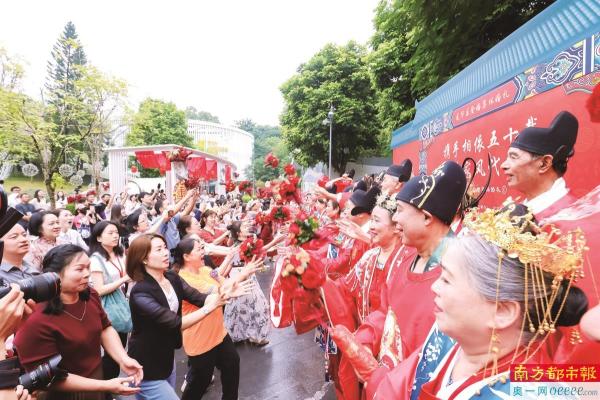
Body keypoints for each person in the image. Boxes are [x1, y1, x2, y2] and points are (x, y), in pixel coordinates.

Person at [368, 206, 588, 399]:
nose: (434, 287)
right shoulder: (447, 336)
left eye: (447, 279)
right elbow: (396, 386)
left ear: (502, 311)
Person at [336, 161, 467, 399]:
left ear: (426, 217)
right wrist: (365, 341)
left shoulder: (462, 272)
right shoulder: (404, 256)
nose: (395, 219)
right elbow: (385, 310)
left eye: (400, 210)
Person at [14, 244, 143, 399]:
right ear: (55, 274)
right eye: (79, 269)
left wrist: (123, 358)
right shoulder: (35, 315)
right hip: (64, 393)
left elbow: (105, 328)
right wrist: (106, 385)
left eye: (88, 267)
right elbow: (46, 377)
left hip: (96, 382)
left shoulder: (89, 295)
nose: (87, 274)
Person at [126, 234, 228, 400]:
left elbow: (198, 298)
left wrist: (224, 294)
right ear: (143, 259)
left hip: (166, 356)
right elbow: (174, 323)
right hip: (144, 364)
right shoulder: (140, 292)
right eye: (159, 249)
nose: (166, 252)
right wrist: (210, 307)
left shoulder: (172, 277)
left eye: (165, 247)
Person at [173, 237, 259, 400]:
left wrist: (241, 275)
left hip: (219, 333)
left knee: (232, 364)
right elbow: (216, 292)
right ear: (186, 256)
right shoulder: (184, 279)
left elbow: (222, 281)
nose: (203, 252)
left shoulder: (206, 270)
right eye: (199, 249)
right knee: (201, 381)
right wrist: (242, 275)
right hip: (200, 340)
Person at [501, 110, 578, 220]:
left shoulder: (572, 217)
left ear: (544, 164)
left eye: (513, 157)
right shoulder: (518, 213)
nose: (503, 165)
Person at [88, 221, 132, 383]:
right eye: (110, 233)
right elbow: (98, 289)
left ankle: (108, 384)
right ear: (98, 238)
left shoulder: (119, 253)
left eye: (116, 232)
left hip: (121, 303)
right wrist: (124, 279)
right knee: (113, 353)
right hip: (107, 307)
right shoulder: (96, 259)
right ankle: (106, 385)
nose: (115, 236)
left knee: (120, 346)